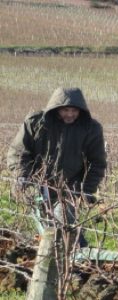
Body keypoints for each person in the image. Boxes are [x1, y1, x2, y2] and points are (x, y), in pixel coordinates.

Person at [6, 87, 106, 247]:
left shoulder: (90, 129)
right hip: (36, 185)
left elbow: (97, 163)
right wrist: (22, 175)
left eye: (74, 110)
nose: (70, 114)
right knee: (46, 227)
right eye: (66, 110)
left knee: (61, 227)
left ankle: (75, 257)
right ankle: (69, 258)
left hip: (69, 189)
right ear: (56, 108)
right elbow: (18, 152)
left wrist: (86, 188)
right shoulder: (36, 122)